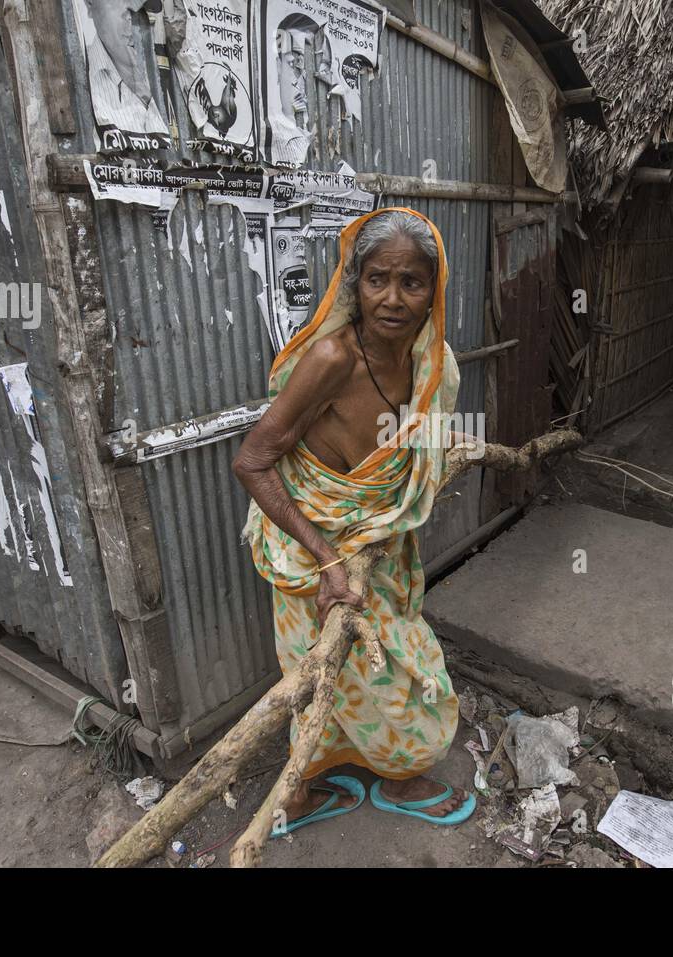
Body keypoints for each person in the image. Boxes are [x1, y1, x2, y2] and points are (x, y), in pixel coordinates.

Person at [234, 208, 475, 834]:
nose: (392, 299)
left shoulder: (433, 362)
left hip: (377, 542)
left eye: (411, 282)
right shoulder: (332, 359)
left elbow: (416, 445)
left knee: (377, 659)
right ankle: (312, 791)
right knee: (328, 671)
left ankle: (371, 773)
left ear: (434, 289)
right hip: (308, 547)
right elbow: (253, 461)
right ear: (354, 284)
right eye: (377, 280)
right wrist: (328, 558)